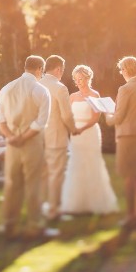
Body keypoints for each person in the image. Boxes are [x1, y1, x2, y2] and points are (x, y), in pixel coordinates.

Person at [0, 55, 56, 239]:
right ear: (39, 70)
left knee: (12, 184)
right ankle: (34, 226)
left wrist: (11, 137)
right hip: (32, 142)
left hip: (12, 143)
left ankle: (8, 224)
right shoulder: (41, 90)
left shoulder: (7, 88)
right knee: (33, 184)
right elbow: (40, 122)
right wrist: (23, 138)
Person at [105, 56, 136, 231]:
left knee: (128, 174)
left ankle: (130, 216)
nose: (121, 73)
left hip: (128, 134)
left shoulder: (125, 88)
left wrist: (107, 116)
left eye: (121, 70)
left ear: (126, 69)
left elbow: (118, 117)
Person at [61, 64, 119, 215]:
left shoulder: (95, 95)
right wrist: (72, 128)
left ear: (88, 78)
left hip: (89, 133)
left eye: (82, 79)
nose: (79, 82)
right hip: (75, 134)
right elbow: (67, 115)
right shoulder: (72, 97)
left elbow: (95, 118)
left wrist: (81, 129)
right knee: (76, 163)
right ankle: (77, 203)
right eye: (76, 79)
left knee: (92, 163)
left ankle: (95, 202)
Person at [38, 55, 76, 222]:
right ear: (59, 69)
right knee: (56, 175)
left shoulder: (36, 84)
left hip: (38, 137)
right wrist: (74, 130)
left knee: (42, 175)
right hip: (55, 137)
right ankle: (54, 211)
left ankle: (39, 208)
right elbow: (66, 115)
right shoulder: (60, 88)